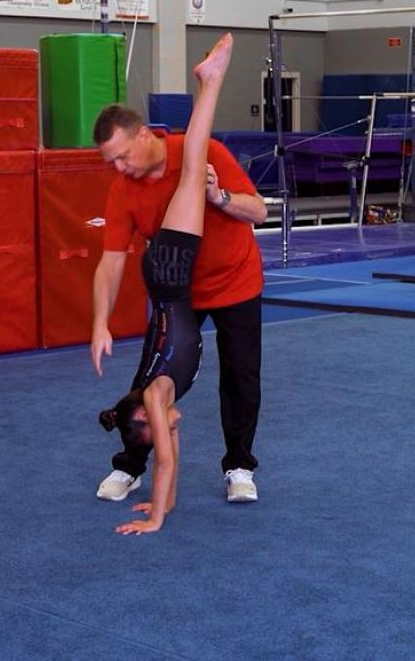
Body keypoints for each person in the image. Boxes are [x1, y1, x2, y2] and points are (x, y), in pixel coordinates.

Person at [91, 45, 267, 508]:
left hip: (232, 283)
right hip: (176, 288)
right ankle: (129, 466)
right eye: (111, 162)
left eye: (123, 156)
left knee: (241, 378)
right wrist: (99, 323)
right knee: (147, 382)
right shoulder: (123, 190)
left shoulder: (204, 153)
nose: (120, 168)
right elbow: (110, 261)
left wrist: (221, 196)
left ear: (144, 134)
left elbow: (260, 212)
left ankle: (239, 465)